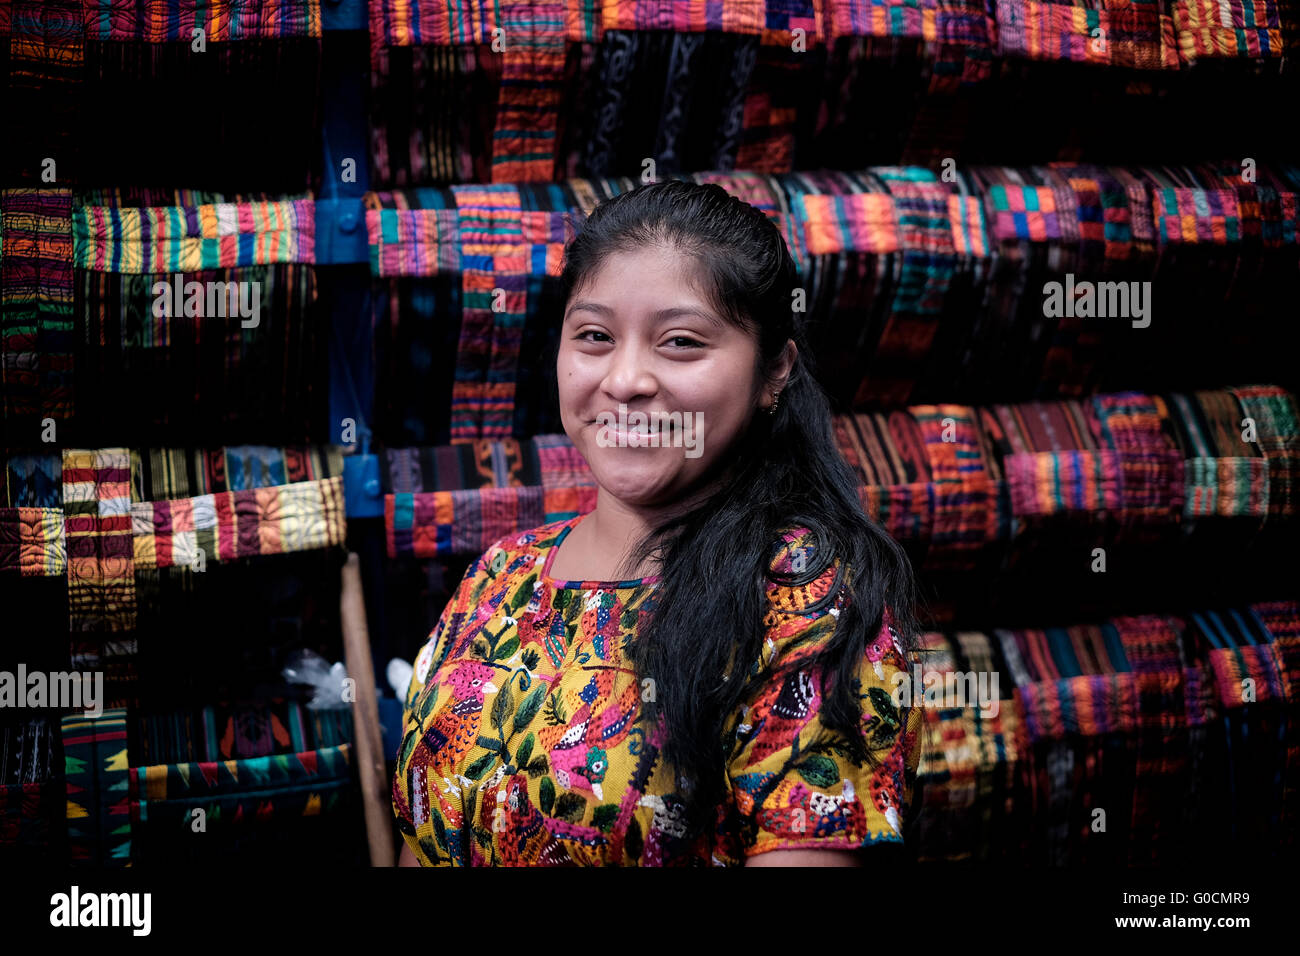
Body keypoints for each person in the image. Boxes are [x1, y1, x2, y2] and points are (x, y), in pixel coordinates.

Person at [392, 179, 924, 866]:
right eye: (594, 336)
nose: (626, 379)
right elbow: (423, 835)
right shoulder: (500, 576)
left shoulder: (807, 608)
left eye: (679, 342)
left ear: (774, 372)